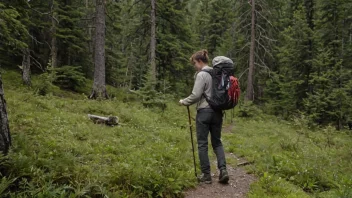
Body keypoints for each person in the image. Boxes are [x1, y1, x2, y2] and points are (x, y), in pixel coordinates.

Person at [179, 49, 229, 184]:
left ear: (200, 61)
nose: (194, 66)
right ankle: (223, 171)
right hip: (218, 112)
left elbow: (196, 95)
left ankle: (206, 175)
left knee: (202, 144)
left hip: (204, 112)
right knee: (217, 142)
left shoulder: (202, 74)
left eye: (195, 63)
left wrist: (184, 101)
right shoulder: (217, 73)